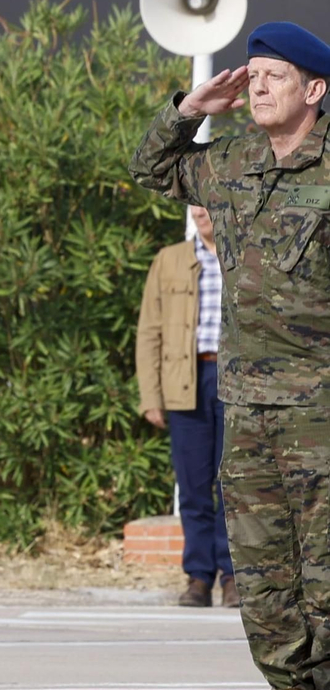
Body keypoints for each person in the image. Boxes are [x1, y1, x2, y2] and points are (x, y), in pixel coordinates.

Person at [130, 21, 330, 690]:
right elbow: (150, 168)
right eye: (254, 74)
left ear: (316, 89)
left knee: (326, 576)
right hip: (247, 408)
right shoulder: (233, 160)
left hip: (321, 410)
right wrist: (193, 106)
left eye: (275, 75)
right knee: (266, 576)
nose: (259, 86)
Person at [136, 206, 238, 608]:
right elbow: (149, 331)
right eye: (193, 205)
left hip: (235, 382)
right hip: (186, 382)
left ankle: (233, 577)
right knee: (193, 489)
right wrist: (151, 396)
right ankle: (198, 577)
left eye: (205, 204)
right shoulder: (170, 259)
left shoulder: (243, 251)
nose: (199, 212)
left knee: (231, 485)